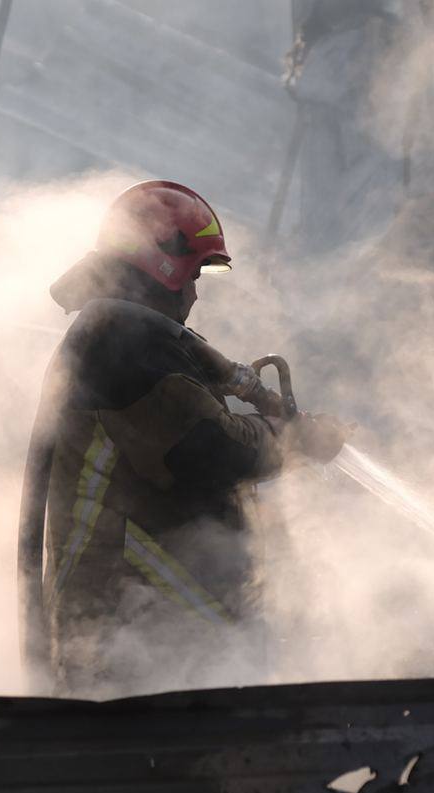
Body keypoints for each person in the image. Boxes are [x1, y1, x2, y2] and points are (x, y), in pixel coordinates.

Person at [19, 180, 348, 695]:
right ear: (162, 265)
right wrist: (292, 439)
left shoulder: (131, 339)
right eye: (192, 275)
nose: (194, 294)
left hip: (154, 641)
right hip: (130, 641)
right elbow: (207, 450)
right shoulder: (121, 347)